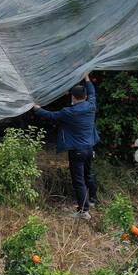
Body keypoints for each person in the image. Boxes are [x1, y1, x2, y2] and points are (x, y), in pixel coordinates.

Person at [33, 73, 99, 219]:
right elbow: (92, 91)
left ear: (73, 97)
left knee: (79, 180)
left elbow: (51, 115)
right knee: (88, 175)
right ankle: (93, 199)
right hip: (89, 148)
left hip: (77, 151)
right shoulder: (91, 105)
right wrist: (87, 78)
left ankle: (84, 210)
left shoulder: (69, 112)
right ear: (85, 96)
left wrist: (36, 108)